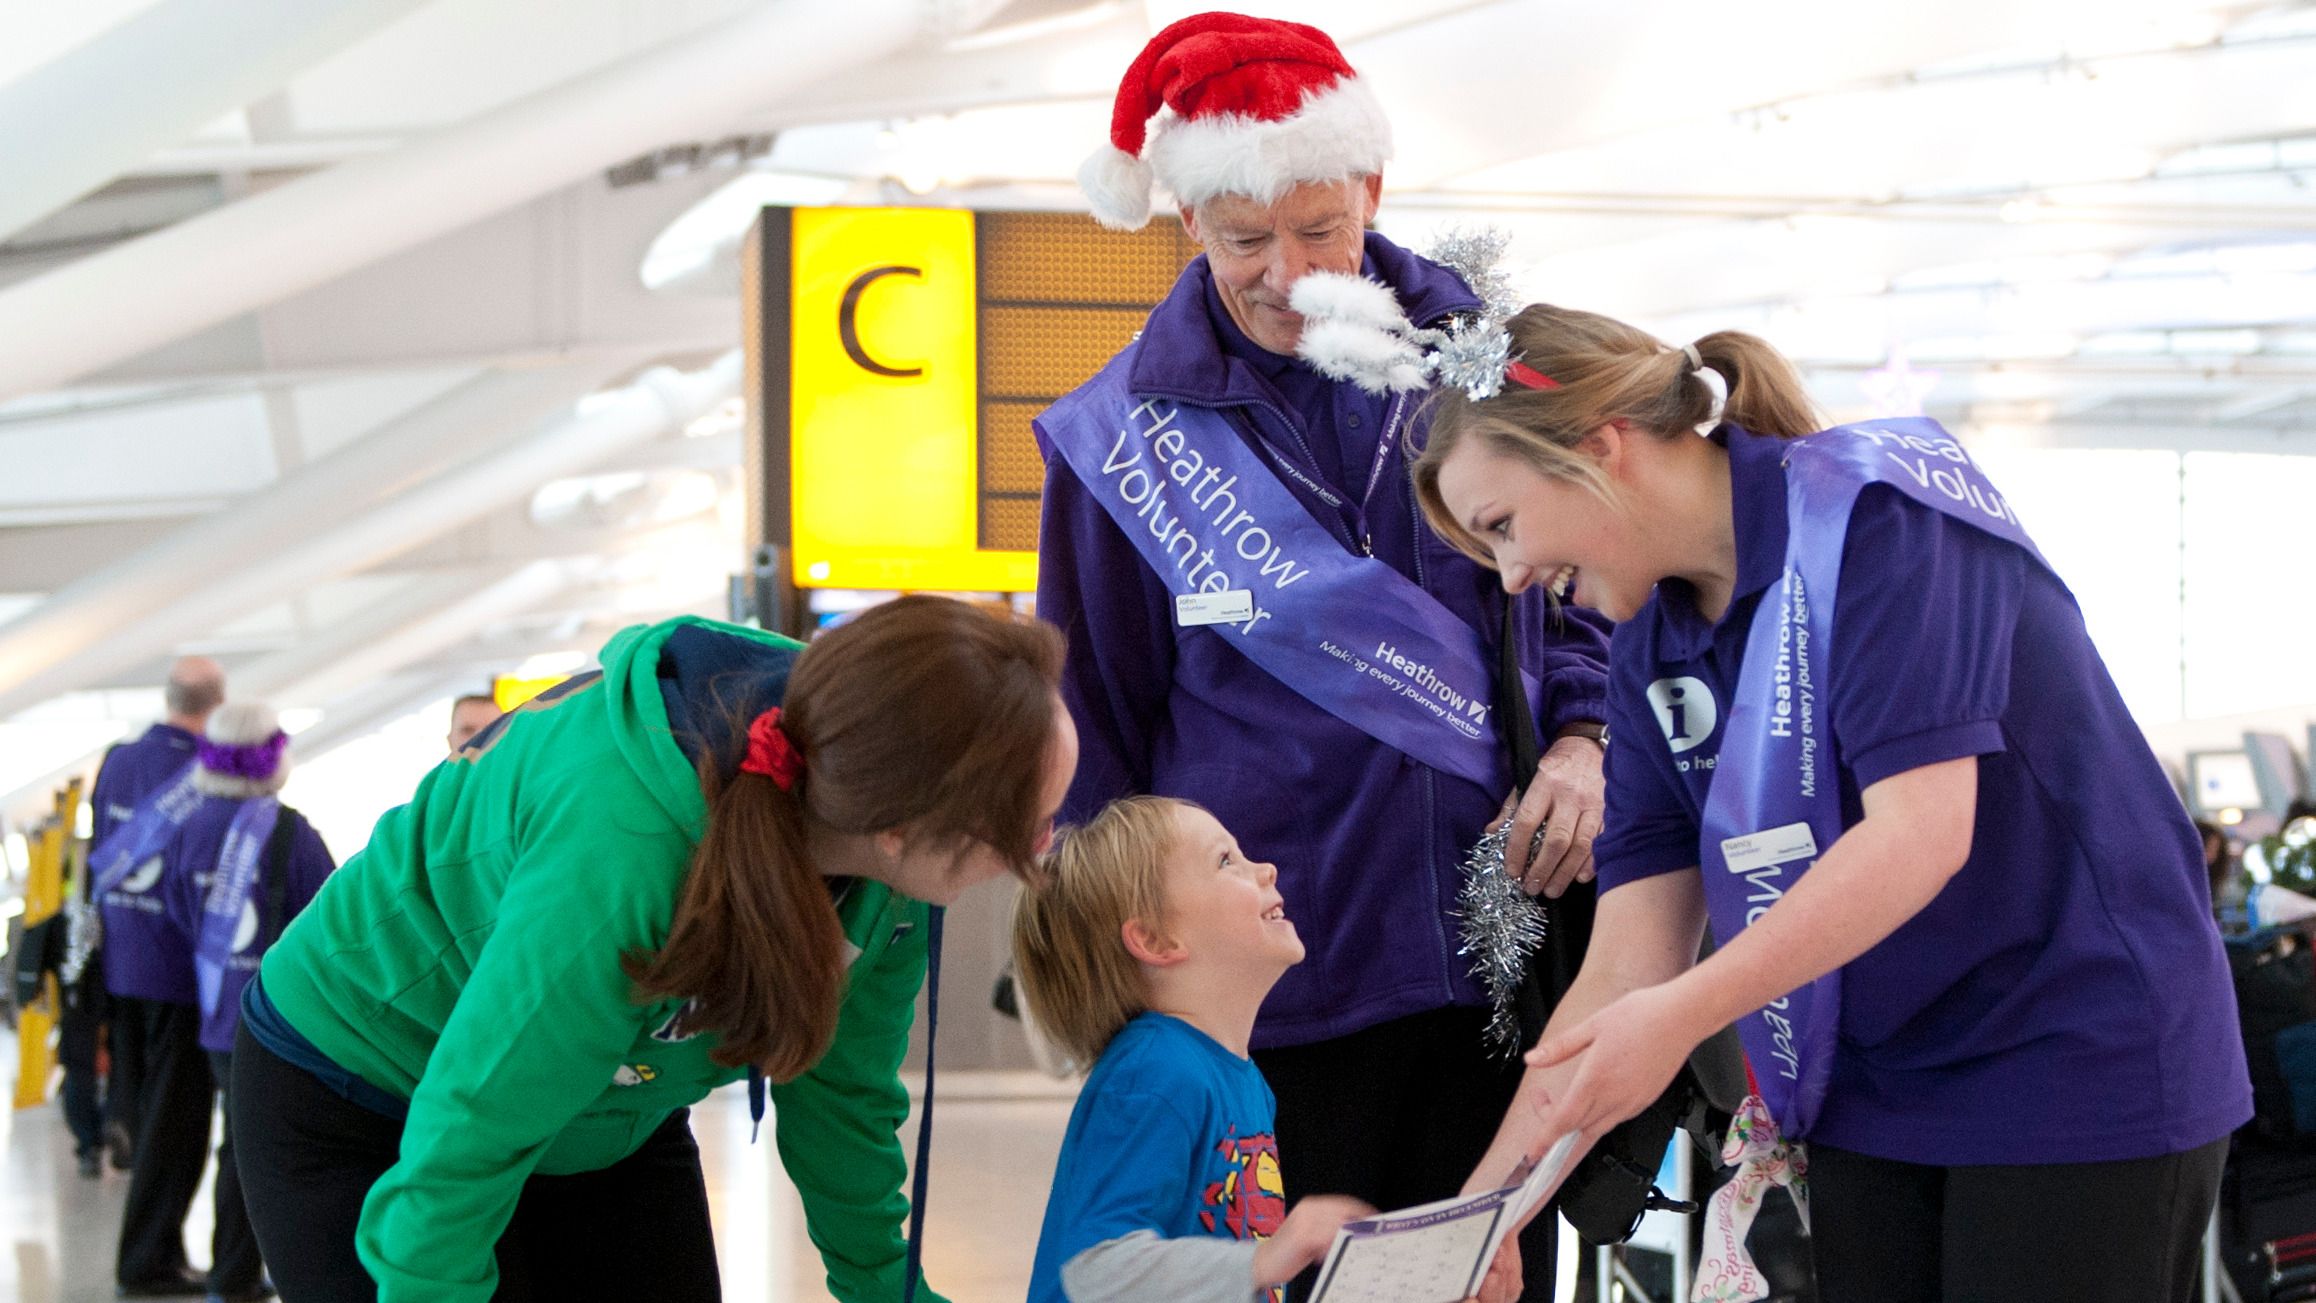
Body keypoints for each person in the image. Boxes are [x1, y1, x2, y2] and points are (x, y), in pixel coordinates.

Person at [1409, 304, 2250, 1302]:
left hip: (2074, 1052)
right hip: (1876, 1083)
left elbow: (1921, 837)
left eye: (1504, 526)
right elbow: (1628, 965)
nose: (1511, 577)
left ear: (1602, 446)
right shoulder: (1648, 645)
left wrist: (1680, 1015)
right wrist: (1483, 1213)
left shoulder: (1880, 517)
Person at [1037, 16, 1610, 1294]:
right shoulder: (1121, 443)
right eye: (1246, 240)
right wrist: (1130, 993)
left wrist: (1587, 735)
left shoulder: (1486, 364)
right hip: (1272, 995)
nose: (1288, 273)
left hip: (1497, 963)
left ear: (1373, 193)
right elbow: (1094, 732)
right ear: (1187, 219)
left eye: (1319, 231)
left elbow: (1594, 595)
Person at [230, 599, 1077, 1303]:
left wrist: (891, 1292)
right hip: (361, 1084)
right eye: (1025, 826)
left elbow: (842, 1099)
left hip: (598, 1109)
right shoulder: (628, 849)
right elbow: (466, 1143)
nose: (1039, 853)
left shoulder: (881, 817)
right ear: (902, 829)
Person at [1014, 796, 1366, 1302]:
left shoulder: (1243, 1081)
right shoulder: (1155, 1071)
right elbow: (1095, 1268)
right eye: (1226, 860)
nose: (1266, 869)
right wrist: (1266, 1259)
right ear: (1156, 940)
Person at [141, 702, 337, 1302]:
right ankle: (236, 1274)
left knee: (236, 1145)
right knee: (263, 1154)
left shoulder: (188, 828)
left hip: (216, 1015)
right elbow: (326, 924)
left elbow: (178, 912)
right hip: (274, 1021)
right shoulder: (291, 833)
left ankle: (234, 1272)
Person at [75, 655, 225, 1180]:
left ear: (168, 697)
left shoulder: (116, 763)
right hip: (179, 964)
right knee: (178, 1109)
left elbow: (96, 852)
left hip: (121, 955)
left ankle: (124, 1130)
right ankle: (154, 1228)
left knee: (133, 1077)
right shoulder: (209, 770)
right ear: (219, 702)